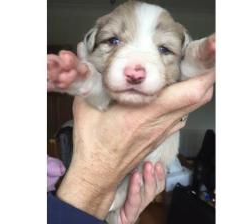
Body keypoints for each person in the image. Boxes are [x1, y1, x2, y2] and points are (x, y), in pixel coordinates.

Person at [47, 36, 215, 223]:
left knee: (130, 190)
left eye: (162, 49)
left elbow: (185, 74)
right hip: (111, 193)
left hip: (142, 175)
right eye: (115, 42)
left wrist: (198, 56)